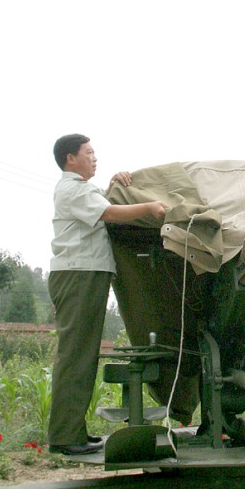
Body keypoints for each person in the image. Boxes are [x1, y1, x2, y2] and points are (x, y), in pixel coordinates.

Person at [48, 133, 169, 455]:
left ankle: (72, 430)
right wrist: (151, 206)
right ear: (70, 158)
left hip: (85, 274)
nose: (94, 157)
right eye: (88, 152)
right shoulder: (72, 189)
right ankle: (65, 436)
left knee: (82, 355)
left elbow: (103, 203)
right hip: (78, 275)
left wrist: (115, 182)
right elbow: (110, 213)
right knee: (76, 356)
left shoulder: (83, 190)